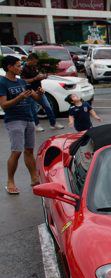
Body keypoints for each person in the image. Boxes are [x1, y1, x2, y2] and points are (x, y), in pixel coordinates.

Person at [1, 55, 42, 195]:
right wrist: (19, 98)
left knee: (29, 150)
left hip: (28, 118)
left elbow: (35, 97)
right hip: (14, 120)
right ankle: (10, 181)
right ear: (9, 67)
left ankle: (34, 178)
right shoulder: (2, 82)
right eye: (18, 66)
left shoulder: (21, 82)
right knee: (17, 151)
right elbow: (4, 105)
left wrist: (40, 94)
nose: (20, 68)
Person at [20, 53, 64, 132]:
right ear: (29, 60)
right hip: (30, 91)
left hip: (39, 90)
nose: (35, 63)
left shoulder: (34, 67)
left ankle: (53, 123)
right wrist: (35, 78)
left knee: (47, 106)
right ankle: (36, 125)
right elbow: (23, 81)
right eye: (34, 62)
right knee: (33, 109)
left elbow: (37, 76)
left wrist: (43, 76)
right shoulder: (23, 69)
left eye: (36, 62)